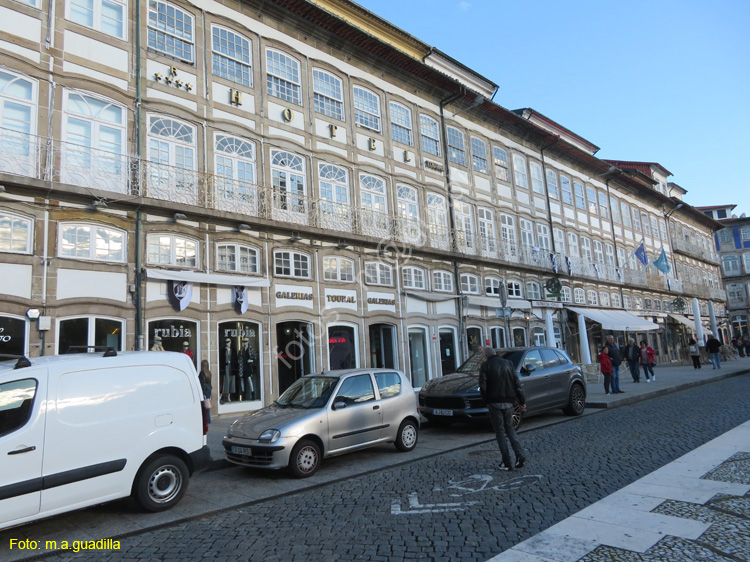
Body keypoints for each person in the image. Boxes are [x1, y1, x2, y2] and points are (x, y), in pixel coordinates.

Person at [478, 347, 526, 471]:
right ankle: (520, 454)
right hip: (509, 402)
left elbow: (482, 386)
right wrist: (522, 401)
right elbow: (517, 384)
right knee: (510, 429)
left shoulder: (485, 365)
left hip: (494, 403)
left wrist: (485, 401)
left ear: (486, 356)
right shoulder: (509, 364)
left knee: (500, 432)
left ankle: (506, 461)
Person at [198, 359, 213, 425]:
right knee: (207, 405)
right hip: (208, 390)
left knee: (204, 406)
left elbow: (201, 383)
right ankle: (208, 420)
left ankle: (206, 420)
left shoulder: (202, 373)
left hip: (204, 390)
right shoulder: (209, 373)